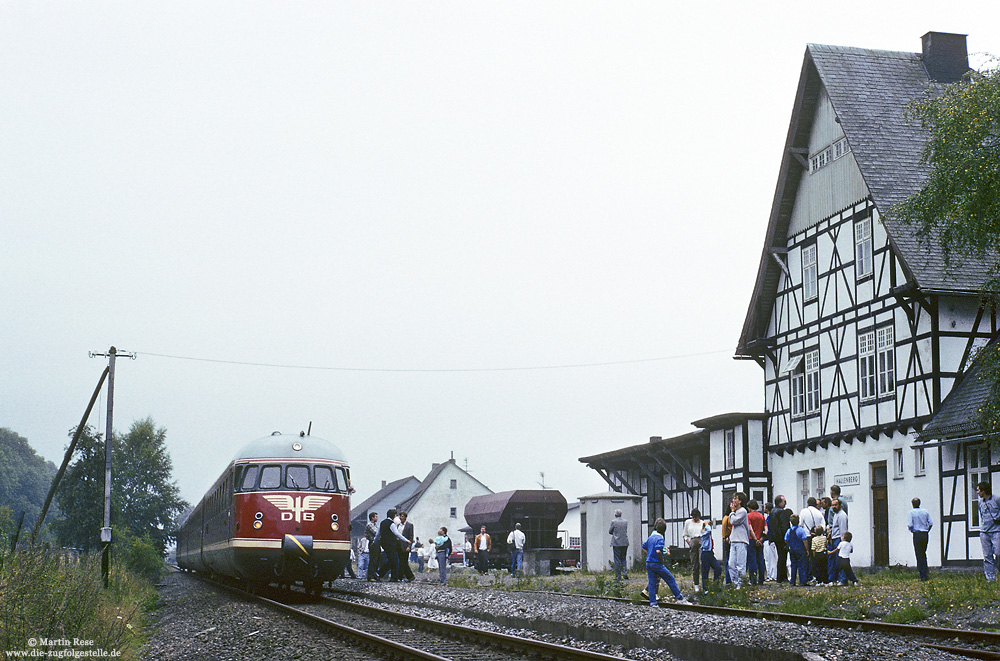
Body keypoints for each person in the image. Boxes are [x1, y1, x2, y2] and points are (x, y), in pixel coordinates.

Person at [642, 517, 688, 605]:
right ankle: (680, 598)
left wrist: (649, 554)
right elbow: (658, 551)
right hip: (657, 563)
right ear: (664, 529)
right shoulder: (660, 538)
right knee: (670, 579)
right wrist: (661, 559)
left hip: (649, 562)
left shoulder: (651, 537)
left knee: (652, 582)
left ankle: (653, 603)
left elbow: (644, 547)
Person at [977, 481, 1000, 582]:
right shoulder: (980, 502)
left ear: (983, 491)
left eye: (978, 490)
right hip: (984, 532)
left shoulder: (997, 499)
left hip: (996, 531)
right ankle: (990, 578)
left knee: (998, 553)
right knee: (987, 556)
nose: (977, 492)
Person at [728, 492, 750, 588]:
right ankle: (734, 582)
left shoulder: (742, 511)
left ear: (740, 501)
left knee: (740, 564)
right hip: (734, 540)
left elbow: (734, 521)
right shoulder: (736, 512)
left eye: (735, 499)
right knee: (731, 563)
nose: (733, 501)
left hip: (741, 540)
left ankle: (741, 584)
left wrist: (732, 511)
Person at [908, 497, 933, 581]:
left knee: (918, 554)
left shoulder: (911, 512)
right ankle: (926, 572)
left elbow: (910, 525)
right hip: (925, 534)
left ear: (912, 504)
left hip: (917, 534)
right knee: (923, 553)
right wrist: (927, 531)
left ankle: (922, 575)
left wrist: (912, 531)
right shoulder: (925, 511)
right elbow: (930, 523)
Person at [770, 495, 792, 584]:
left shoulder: (772, 511)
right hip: (781, 537)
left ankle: (780, 576)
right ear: (780, 502)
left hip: (775, 537)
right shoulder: (781, 512)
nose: (785, 503)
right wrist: (787, 537)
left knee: (780, 556)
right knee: (783, 557)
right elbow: (784, 526)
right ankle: (782, 576)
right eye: (784, 501)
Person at [827, 499, 849, 585]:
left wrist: (843, 542)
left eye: (835, 505)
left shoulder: (842, 515)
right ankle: (837, 578)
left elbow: (843, 530)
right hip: (834, 538)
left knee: (841, 559)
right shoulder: (836, 514)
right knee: (836, 560)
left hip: (839, 539)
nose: (833, 507)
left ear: (839, 505)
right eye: (832, 505)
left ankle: (843, 579)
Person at [682, 509, 703, 592]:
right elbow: (684, 534)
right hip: (693, 541)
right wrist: (689, 542)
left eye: (696, 517)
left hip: (700, 541)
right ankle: (696, 584)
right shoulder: (688, 522)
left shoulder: (702, 523)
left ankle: (704, 582)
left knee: (702, 562)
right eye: (694, 517)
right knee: (694, 564)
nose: (695, 519)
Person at [785, 514, 809, 586]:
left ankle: (793, 581)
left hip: (792, 549)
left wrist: (789, 545)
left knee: (793, 565)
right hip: (800, 549)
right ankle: (802, 581)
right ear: (798, 521)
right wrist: (807, 550)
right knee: (802, 565)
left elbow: (786, 539)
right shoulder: (801, 530)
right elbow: (804, 540)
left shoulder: (789, 531)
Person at [747, 500, 766, 585]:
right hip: (760, 539)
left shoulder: (748, 516)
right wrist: (761, 539)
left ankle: (753, 579)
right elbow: (766, 529)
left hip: (751, 539)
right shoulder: (761, 516)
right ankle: (761, 579)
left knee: (752, 560)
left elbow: (750, 529)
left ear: (749, 508)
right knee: (760, 560)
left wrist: (755, 539)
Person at [699, 519, 723, 586]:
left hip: (710, 553)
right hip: (705, 553)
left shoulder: (708, 534)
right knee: (705, 571)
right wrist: (706, 524)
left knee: (718, 568)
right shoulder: (703, 533)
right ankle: (705, 589)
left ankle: (716, 585)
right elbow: (709, 530)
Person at [609, 509, 630, 580]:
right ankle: (625, 573)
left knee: (617, 559)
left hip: (616, 542)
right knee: (623, 558)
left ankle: (618, 576)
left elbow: (610, 531)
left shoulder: (613, 522)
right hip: (625, 542)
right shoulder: (625, 522)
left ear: (615, 515)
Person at [398, 511, 415, 582]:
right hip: (398, 545)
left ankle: (408, 576)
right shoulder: (398, 525)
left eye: (402, 516)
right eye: (400, 516)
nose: (400, 518)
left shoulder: (409, 525)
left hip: (405, 545)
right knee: (401, 562)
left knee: (404, 561)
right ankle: (405, 576)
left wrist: (409, 546)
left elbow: (411, 537)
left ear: (405, 517)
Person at [763, 502, 777, 582]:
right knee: (770, 558)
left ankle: (771, 575)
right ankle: (770, 574)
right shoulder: (769, 517)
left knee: (770, 558)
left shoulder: (769, 518)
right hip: (768, 540)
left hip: (768, 540)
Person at [721, 511, 733, 584]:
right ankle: (728, 579)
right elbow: (724, 529)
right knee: (728, 560)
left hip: (729, 538)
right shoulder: (727, 518)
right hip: (728, 538)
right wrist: (725, 537)